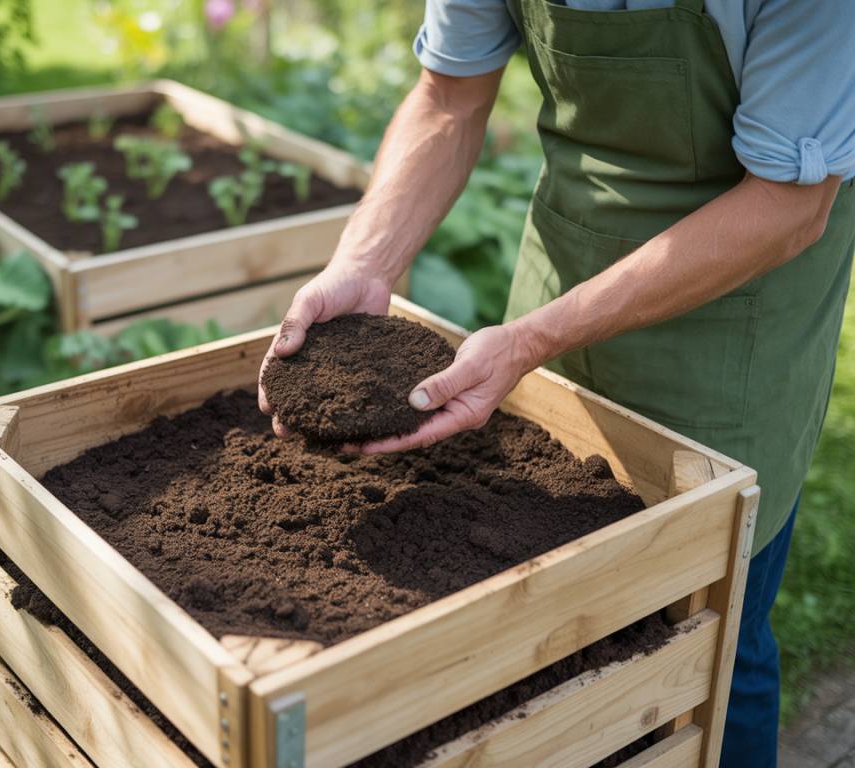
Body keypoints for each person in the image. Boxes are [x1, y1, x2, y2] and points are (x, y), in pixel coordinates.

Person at [258, 1, 855, 763]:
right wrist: (363, 264)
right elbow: (449, 98)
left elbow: (788, 205)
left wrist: (535, 337)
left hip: (738, 305)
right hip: (568, 260)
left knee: (715, 633)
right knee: (549, 642)